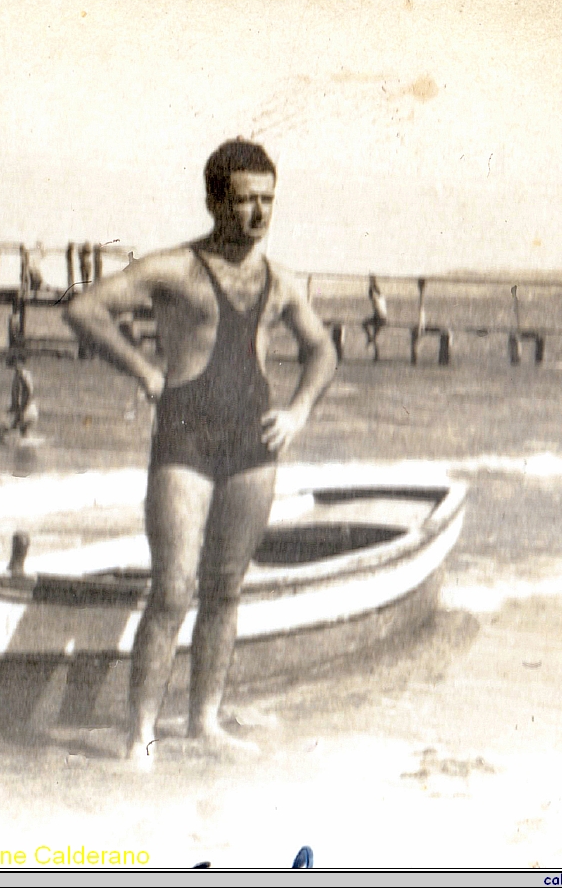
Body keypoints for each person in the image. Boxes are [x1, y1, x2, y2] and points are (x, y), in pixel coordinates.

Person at [65, 139, 336, 766]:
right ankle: (141, 734)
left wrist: (297, 410)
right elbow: (84, 308)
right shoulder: (175, 270)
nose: (259, 214)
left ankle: (206, 722)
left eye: (268, 200)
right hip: (185, 438)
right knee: (173, 588)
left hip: (253, 444)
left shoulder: (282, 283)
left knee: (226, 588)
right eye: (245, 201)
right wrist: (143, 370)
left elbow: (322, 349)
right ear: (216, 201)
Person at [362, 275, 389, 361]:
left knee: (366, 325)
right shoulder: (381, 297)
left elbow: (371, 292)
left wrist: (372, 282)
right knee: (373, 334)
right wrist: (373, 282)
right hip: (381, 318)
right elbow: (376, 290)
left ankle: (370, 339)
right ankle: (376, 355)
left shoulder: (375, 298)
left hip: (379, 319)